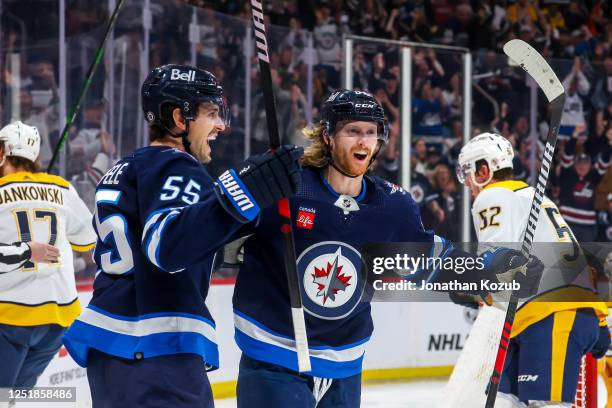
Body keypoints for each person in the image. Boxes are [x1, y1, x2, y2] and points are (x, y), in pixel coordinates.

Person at [231, 90, 543, 408]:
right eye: (352, 131)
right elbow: (222, 233)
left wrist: (488, 273)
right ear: (327, 136)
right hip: (274, 357)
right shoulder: (289, 186)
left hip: (345, 365)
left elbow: (430, 261)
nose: (364, 141)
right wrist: (246, 187)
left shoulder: (391, 205)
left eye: (371, 132)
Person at [62, 64, 302, 408]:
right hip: (156, 350)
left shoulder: (126, 168)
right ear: (179, 118)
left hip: (114, 353)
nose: (221, 125)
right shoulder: (176, 165)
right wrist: (242, 192)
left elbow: (189, 241)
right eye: (211, 113)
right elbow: (168, 246)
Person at [452, 132, 609, 407]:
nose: (467, 182)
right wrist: (599, 321)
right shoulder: (531, 197)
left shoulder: (493, 196)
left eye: (468, 172)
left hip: (551, 315)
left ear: (484, 169)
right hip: (545, 315)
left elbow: (497, 260)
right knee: (503, 401)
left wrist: (470, 285)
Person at [0, 121, 96, 391]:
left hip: (10, 316)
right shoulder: (62, 188)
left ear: (2, 153)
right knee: (13, 396)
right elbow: (87, 240)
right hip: (57, 320)